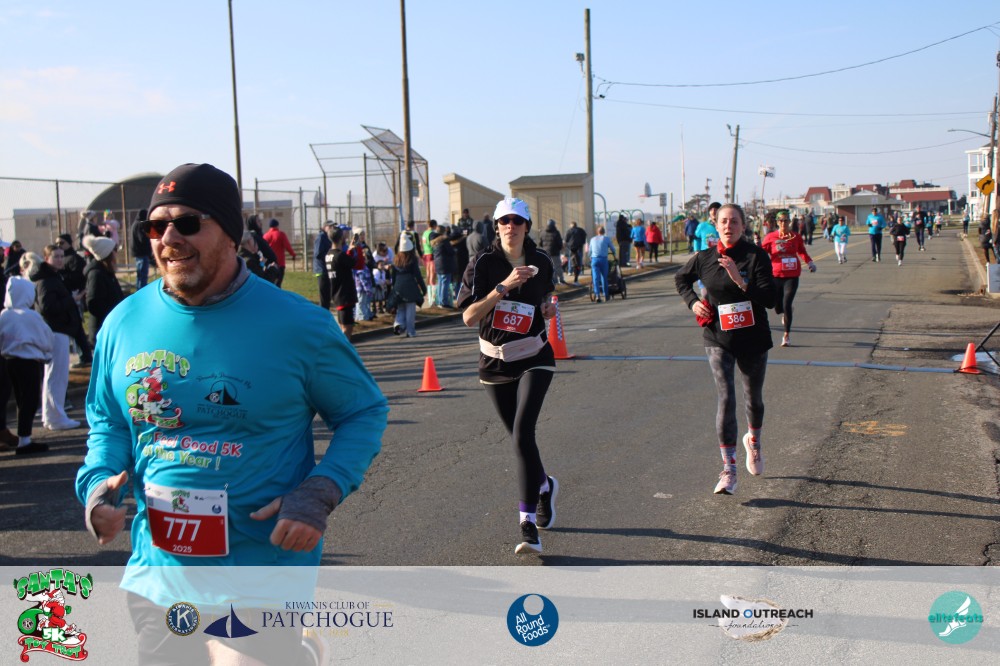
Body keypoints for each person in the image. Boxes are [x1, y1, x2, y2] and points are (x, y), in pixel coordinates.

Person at [75, 163, 387, 665]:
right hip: (160, 571)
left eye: (188, 223)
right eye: (156, 226)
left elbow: (363, 412)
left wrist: (320, 491)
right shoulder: (124, 322)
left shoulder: (297, 325)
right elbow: (108, 421)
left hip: (261, 569)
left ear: (230, 233)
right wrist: (96, 486)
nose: (169, 238)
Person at [457, 197, 559, 555]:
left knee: (523, 434)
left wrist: (548, 307)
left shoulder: (541, 260)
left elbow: (548, 295)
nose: (510, 226)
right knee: (520, 440)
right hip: (495, 362)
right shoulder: (482, 263)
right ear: (496, 226)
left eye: (517, 221)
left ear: (527, 226)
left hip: (535, 356)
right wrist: (503, 287)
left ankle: (527, 524)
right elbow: (468, 317)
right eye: (504, 221)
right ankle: (544, 485)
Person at [675, 203, 775, 495]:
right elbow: (681, 279)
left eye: (734, 221)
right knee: (726, 397)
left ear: (743, 226)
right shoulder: (704, 258)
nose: (728, 226)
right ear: (716, 225)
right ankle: (728, 469)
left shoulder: (756, 256)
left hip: (753, 338)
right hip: (718, 337)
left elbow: (770, 299)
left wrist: (740, 280)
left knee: (753, 398)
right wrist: (693, 302)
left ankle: (753, 442)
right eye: (723, 221)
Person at [25, 249, 81, 431]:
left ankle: (52, 415)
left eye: (61, 256)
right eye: (55, 256)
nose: (60, 259)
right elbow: (47, 307)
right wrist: (71, 299)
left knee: (55, 375)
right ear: (46, 258)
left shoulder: (53, 278)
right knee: (56, 376)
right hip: (55, 331)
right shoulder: (47, 280)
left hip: (58, 330)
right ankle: (55, 417)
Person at [0, 276, 54, 455]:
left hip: (9, 362)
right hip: (28, 362)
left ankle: (24, 437)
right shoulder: (30, 316)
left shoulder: (4, 315)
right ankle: (24, 440)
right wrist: (46, 353)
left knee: (20, 399)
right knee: (30, 400)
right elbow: (46, 338)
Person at [761, 210, 816, 347]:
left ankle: (786, 335)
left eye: (786, 220)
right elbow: (761, 253)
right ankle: (785, 311)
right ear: (777, 222)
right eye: (781, 221)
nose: (783, 223)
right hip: (776, 275)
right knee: (777, 307)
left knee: (786, 304)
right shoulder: (771, 237)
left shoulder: (796, 237)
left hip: (792, 275)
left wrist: (810, 262)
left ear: (789, 222)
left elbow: (802, 251)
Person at [56, 234, 93, 366]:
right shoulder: (65, 258)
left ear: (69, 243)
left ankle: (85, 356)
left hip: (75, 296)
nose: (59, 246)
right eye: (57, 243)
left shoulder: (74, 259)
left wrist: (64, 276)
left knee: (76, 326)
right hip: (66, 297)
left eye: (62, 243)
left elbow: (79, 278)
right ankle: (84, 355)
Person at [82, 235, 124, 348]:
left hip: (111, 328)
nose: (116, 254)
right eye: (114, 250)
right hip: (102, 331)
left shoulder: (107, 272)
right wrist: (111, 315)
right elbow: (93, 303)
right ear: (108, 254)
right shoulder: (96, 274)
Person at [326, 226, 359, 339]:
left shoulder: (329, 254)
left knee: (343, 326)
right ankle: (344, 347)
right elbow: (353, 263)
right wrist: (355, 249)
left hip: (337, 294)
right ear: (341, 238)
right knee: (347, 327)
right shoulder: (340, 255)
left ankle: (344, 346)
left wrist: (349, 250)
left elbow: (344, 263)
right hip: (344, 295)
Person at [390, 235, 426, 337]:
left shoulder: (396, 259)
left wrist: (394, 288)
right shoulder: (412, 259)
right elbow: (418, 275)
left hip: (398, 286)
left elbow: (393, 275)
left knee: (401, 308)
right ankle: (410, 332)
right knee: (410, 310)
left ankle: (398, 324)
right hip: (410, 287)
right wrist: (423, 288)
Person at [263, 219, 296, 287]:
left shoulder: (265, 236)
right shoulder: (281, 234)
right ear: (277, 225)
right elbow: (287, 246)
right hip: (280, 263)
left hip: (269, 263)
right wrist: (293, 254)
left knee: (270, 282)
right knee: (278, 283)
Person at [587, 225, 615, 302]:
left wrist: (590, 257)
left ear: (597, 232)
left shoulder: (592, 239)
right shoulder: (606, 239)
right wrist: (614, 253)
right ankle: (606, 295)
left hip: (594, 259)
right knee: (604, 277)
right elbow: (613, 249)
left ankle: (597, 295)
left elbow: (589, 251)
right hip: (603, 259)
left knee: (595, 278)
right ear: (604, 232)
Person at [314, 221, 335, 310]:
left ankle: (325, 313)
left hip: (327, 270)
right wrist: (329, 257)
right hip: (322, 270)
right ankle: (321, 314)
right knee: (324, 297)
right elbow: (318, 254)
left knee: (327, 296)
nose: (332, 229)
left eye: (333, 227)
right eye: (330, 227)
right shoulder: (321, 237)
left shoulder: (328, 237)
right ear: (325, 227)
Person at [539, 219, 566, 284]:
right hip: (555, 252)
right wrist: (559, 249)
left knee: (549, 267)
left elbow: (540, 243)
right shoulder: (556, 232)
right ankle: (561, 279)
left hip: (546, 252)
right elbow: (560, 243)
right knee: (557, 266)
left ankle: (554, 280)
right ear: (554, 225)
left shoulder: (543, 232)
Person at [131, 209, 153, 289]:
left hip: (138, 253)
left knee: (140, 275)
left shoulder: (135, 224)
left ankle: (139, 289)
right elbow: (142, 239)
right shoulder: (140, 225)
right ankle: (141, 290)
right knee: (142, 275)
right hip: (142, 253)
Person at [421, 219, 438, 303]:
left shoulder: (424, 233)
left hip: (426, 254)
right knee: (432, 274)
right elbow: (433, 244)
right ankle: (432, 295)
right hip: (431, 254)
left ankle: (428, 294)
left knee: (428, 274)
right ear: (434, 225)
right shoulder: (432, 233)